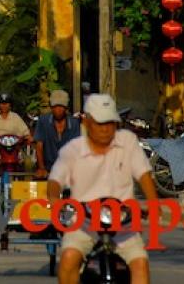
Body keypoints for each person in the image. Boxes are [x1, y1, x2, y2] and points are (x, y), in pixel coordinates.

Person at [46, 93, 159, 284]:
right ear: (87, 122)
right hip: (83, 223)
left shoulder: (128, 141)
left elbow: (144, 175)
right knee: (68, 260)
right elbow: (55, 181)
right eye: (100, 123)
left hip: (123, 224)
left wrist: (152, 203)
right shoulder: (73, 150)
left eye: (110, 123)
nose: (106, 129)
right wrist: (56, 202)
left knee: (140, 263)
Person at [34, 90, 81, 179]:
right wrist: (41, 168)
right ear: (51, 108)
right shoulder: (43, 121)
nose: (58, 110)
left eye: (61, 107)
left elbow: (76, 148)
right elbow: (39, 146)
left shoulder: (74, 123)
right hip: (48, 167)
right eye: (55, 107)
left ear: (66, 108)